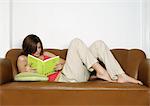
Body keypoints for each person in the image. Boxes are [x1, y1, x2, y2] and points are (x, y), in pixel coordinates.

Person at [17, 34, 143, 85]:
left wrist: (61, 66)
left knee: (98, 44)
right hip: (65, 79)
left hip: (72, 73)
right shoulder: (22, 58)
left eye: (39, 47)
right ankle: (101, 71)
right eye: (34, 49)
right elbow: (22, 75)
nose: (38, 51)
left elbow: (66, 62)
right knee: (76, 42)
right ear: (28, 48)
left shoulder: (45, 54)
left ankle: (120, 75)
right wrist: (28, 70)